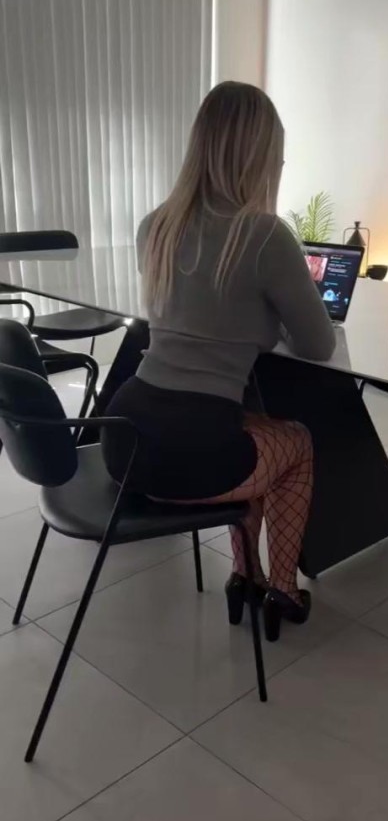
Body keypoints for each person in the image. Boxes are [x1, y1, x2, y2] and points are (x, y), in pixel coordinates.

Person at [102, 81, 336, 642]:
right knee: (296, 443)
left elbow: (197, 311)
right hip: (191, 454)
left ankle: (244, 577)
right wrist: (272, 323)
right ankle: (280, 589)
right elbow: (318, 346)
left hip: (124, 437)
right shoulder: (265, 235)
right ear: (261, 154)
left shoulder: (155, 224)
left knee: (248, 430)